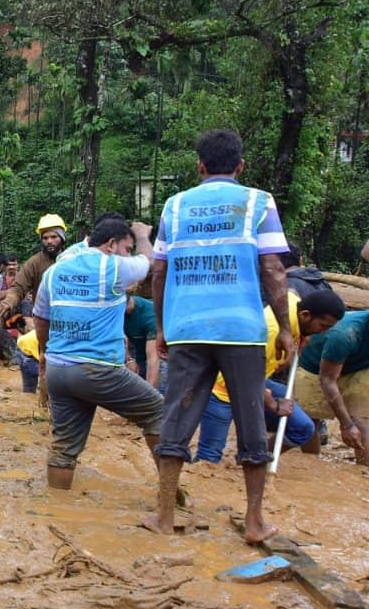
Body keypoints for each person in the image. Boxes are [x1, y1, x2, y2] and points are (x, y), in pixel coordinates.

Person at [145, 129, 294, 544]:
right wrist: (283, 326)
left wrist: (162, 326)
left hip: (188, 328)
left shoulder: (175, 206)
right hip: (242, 330)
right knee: (249, 420)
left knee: (176, 417)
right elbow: (273, 270)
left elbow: (159, 271)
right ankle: (254, 522)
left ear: (200, 166)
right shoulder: (258, 202)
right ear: (241, 166)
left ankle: (162, 516)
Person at [34, 219, 162, 488]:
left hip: (58, 370)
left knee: (64, 446)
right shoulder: (112, 266)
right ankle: (170, 496)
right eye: (127, 249)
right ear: (112, 244)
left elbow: (41, 319)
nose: (128, 254)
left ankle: (55, 509)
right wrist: (141, 235)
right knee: (159, 412)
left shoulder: (55, 271)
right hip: (98, 370)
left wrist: (44, 355)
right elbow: (149, 261)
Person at [198, 289, 344, 463]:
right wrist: (273, 405)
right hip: (223, 390)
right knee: (209, 458)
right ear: (305, 315)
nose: (323, 332)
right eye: (322, 326)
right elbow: (246, 379)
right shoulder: (272, 333)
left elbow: (290, 290)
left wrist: (300, 337)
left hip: (254, 380)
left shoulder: (290, 304)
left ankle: (249, 463)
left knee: (303, 428)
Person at [294, 296, 369, 465]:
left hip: (360, 365)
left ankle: (363, 471)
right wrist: (346, 425)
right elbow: (327, 380)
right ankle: (313, 463)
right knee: (310, 419)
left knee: (362, 418)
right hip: (314, 367)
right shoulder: (343, 335)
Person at [0, 214, 68, 317]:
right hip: (43, 319)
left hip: (69, 317)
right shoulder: (34, 262)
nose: (49, 241)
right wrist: (9, 301)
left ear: (62, 238)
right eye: (45, 238)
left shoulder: (72, 259)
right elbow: (18, 288)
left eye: (54, 237)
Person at [124, 295, 163, 391]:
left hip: (162, 355)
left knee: (157, 390)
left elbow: (153, 358)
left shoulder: (149, 315)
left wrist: (150, 393)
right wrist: (129, 359)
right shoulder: (115, 312)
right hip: (138, 352)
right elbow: (120, 336)